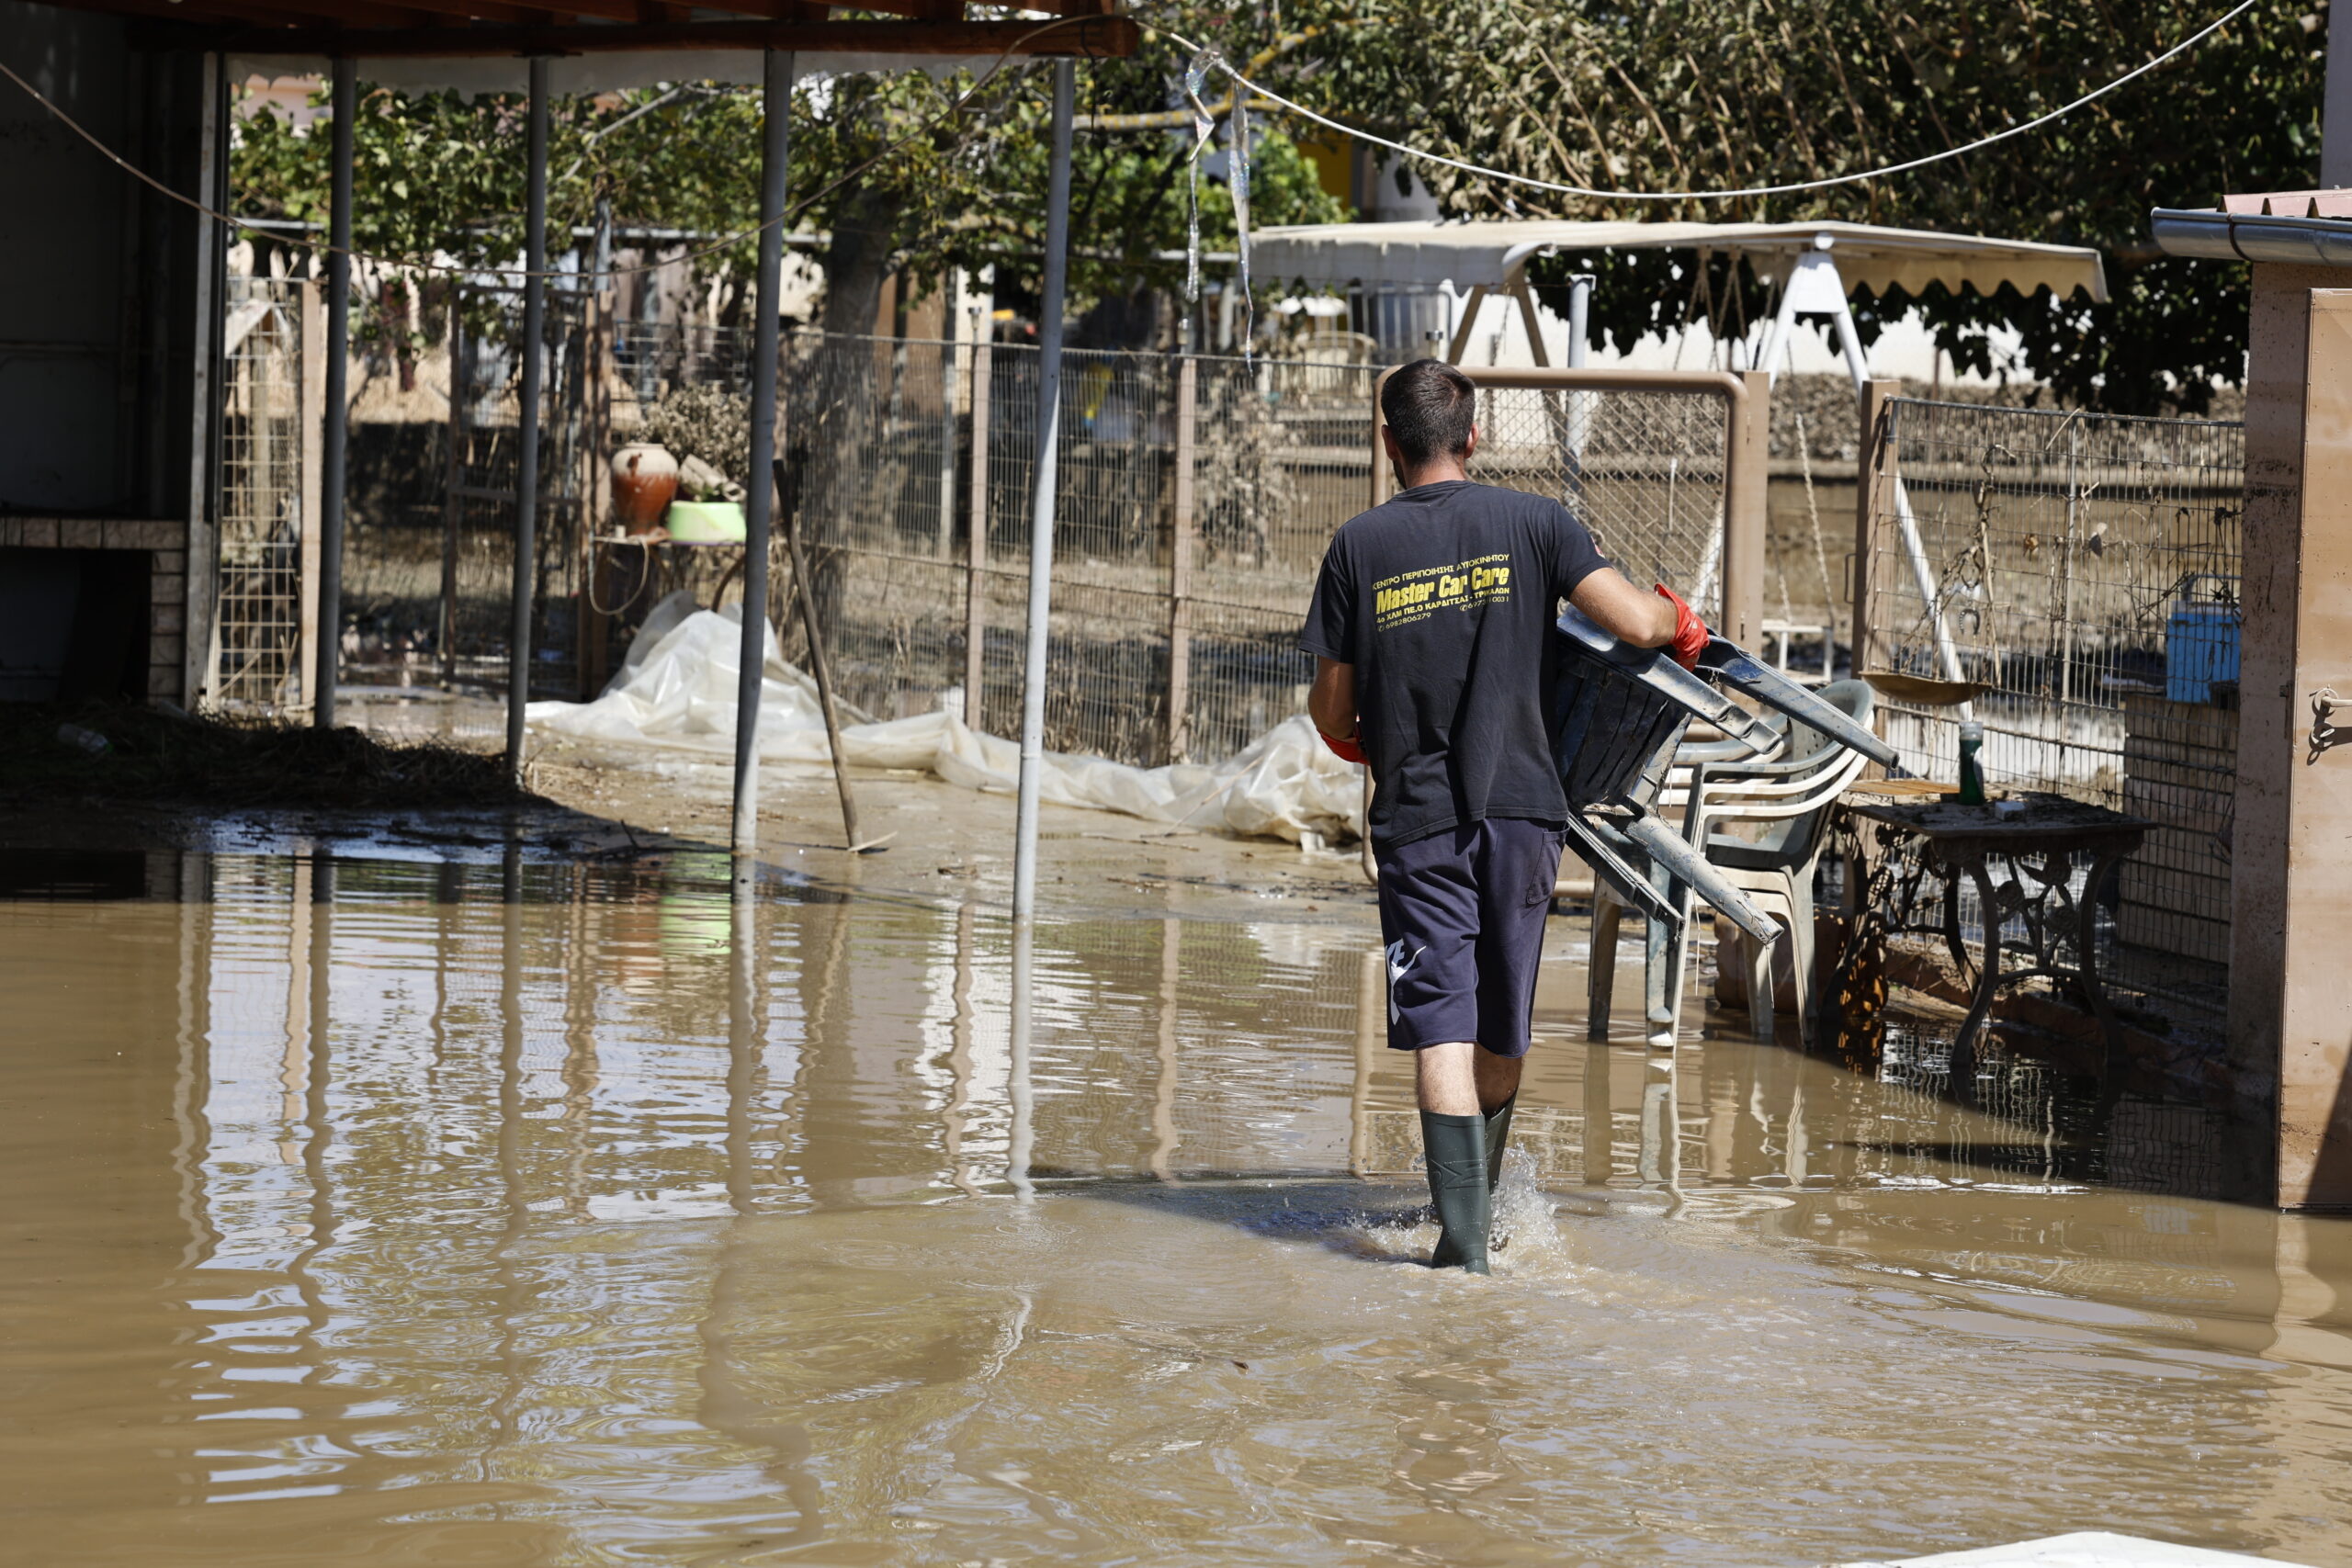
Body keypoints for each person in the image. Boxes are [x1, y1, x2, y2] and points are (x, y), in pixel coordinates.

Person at [1301, 359, 1708, 1274]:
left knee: (1440, 1023)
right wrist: (1681, 618)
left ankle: (1463, 1249)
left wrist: (1372, 739)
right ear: (1472, 437)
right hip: (1526, 812)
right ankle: (1478, 1228)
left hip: (1419, 820)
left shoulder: (1355, 548)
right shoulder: (1534, 522)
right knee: (1499, 1023)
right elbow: (1637, 626)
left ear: (1386, 442)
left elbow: (1330, 714)